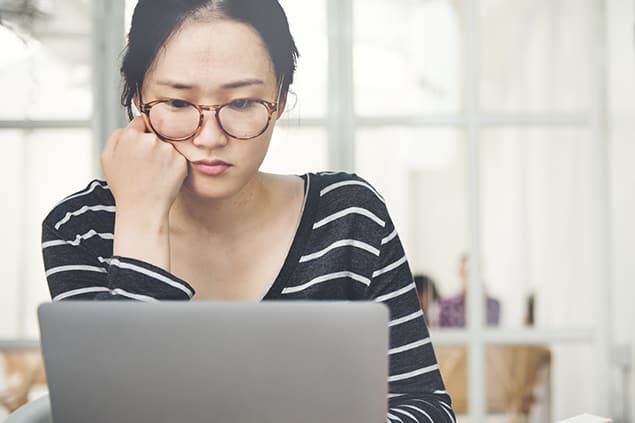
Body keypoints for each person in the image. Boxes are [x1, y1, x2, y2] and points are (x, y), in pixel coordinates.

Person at [40, 1, 455, 421]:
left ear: (280, 98)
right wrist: (142, 220)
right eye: (178, 104)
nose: (210, 137)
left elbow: (426, 407)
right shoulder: (82, 228)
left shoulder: (348, 216)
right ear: (136, 99)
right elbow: (114, 413)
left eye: (240, 104)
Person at [438, 254, 501, 327]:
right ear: (460, 273)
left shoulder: (493, 304)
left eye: (476, 272)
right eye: (467, 273)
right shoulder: (446, 305)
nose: (472, 277)